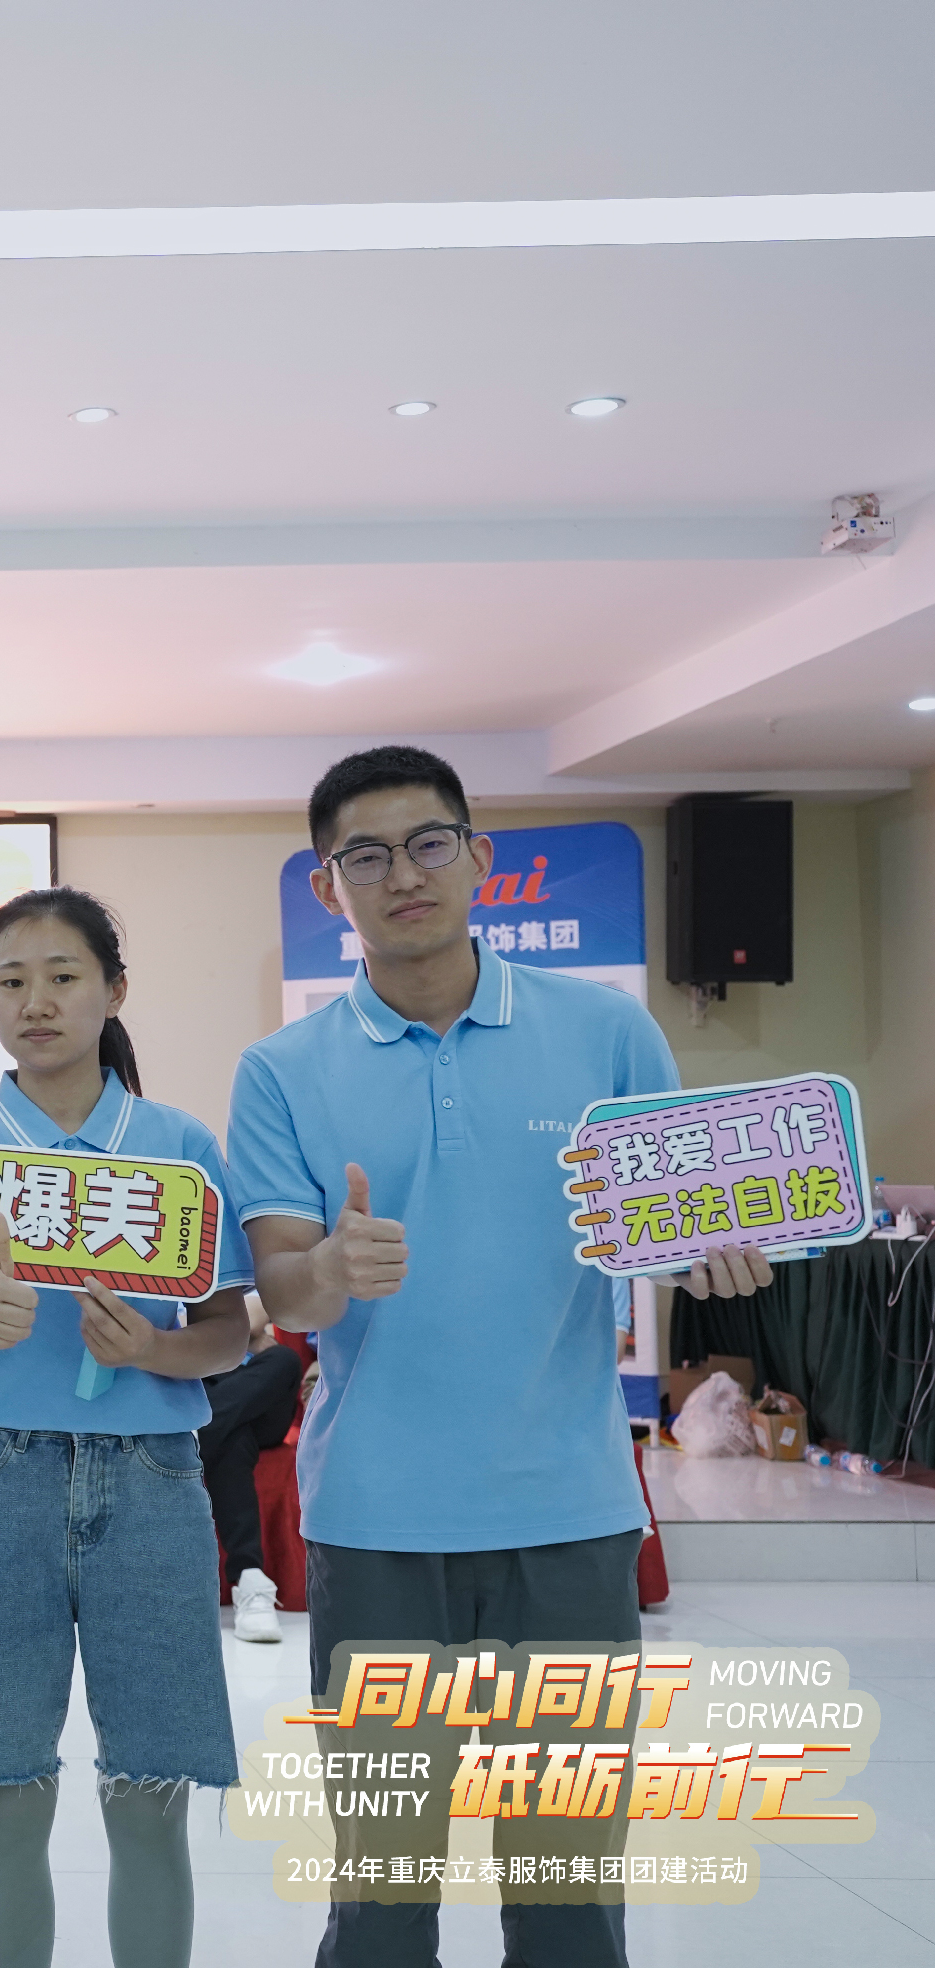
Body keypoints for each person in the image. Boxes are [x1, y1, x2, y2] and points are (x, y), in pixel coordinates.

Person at [228, 745, 772, 1969]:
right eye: (364, 855)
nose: (402, 874)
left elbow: (672, 1227)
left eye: (428, 843)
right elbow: (281, 1279)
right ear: (326, 886)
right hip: (375, 1521)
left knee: (568, 1897)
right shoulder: (281, 1070)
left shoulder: (606, 1031)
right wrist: (333, 1268)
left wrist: (706, 1251)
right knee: (380, 1899)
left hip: (567, 1513)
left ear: (477, 857)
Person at [0, 888, 253, 1969]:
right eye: (9, 981)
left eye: (61, 976)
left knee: (150, 1790)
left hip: (150, 1480)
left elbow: (227, 1331)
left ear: (113, 990)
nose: (36, 1001)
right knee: (5, 1789)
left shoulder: (176, 1143)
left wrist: (148, 1350)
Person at [195, 1291, 299, 1644]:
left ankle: (197, 1431)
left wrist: (201, 1334)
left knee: (284, 1359)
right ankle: (250, 1577)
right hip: (202, 1386)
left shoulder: (254, 1271)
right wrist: (240, 1337)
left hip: (256, 1392)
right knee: (233, 1438)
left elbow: (252, 1317)